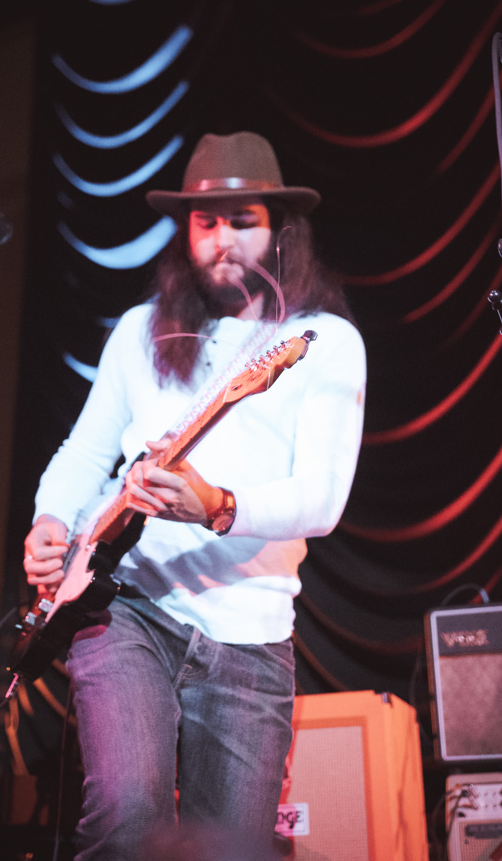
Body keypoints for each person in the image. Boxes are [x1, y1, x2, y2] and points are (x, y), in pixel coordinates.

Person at [23, 132, 366, 860]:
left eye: (241, 221)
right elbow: (86, 452)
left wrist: (217, 505)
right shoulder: (138, 333)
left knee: (232, 849)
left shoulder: (321, 341)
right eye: (205, 223)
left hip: (251, 633)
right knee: (125, 820)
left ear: (279, 230)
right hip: (126, 606)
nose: (221, 241)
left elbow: (322, 498)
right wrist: (50, 520)